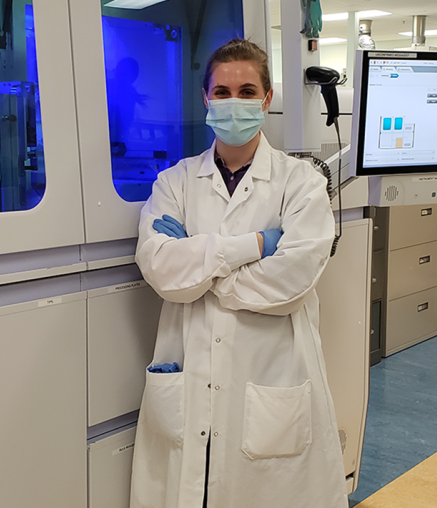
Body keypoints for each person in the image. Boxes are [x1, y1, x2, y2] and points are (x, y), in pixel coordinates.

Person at [130, 39, 348, 508]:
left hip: (271, 375)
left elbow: (291, 281)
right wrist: (255, 246)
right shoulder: (176, 182)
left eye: (248, 91)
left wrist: (202, 270)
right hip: (190, 380)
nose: (235, 103)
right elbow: (162, 270)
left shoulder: (301, 183)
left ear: (267, 100)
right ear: (206, 99)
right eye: (222, 91)